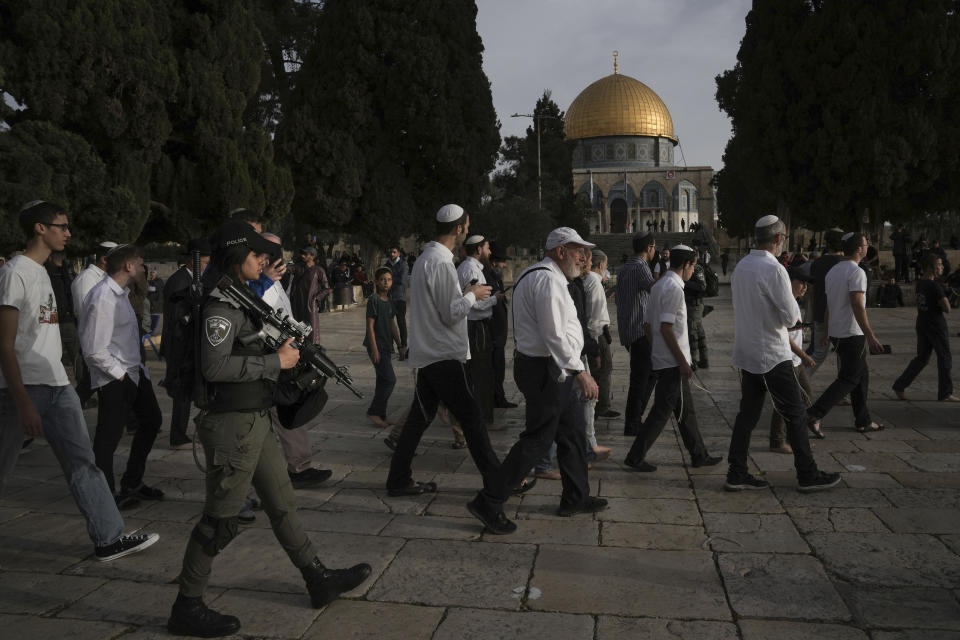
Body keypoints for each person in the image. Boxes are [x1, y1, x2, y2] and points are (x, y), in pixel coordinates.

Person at [167, 220, 370, 637]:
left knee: (282, 503)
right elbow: (214, 366)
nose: (264, 260)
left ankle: (317, 578)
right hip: (231, 426)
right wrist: (277, 362)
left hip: (254, 418)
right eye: (257, 254)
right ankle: (187, 604)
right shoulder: (221, 305)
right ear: (236, 256)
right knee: (220, 521)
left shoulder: (242, 297)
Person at [0, 200, 159, 562]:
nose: (68, 233)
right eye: (62, 226)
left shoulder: (43, 271)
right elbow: (4, 344)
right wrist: (23, 400)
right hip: (21, 388)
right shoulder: (15, 272)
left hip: (57, 384)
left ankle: (109, 536)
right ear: (40, 228)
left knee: (83, 461)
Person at [467, 227, 607, 535]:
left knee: (571, 433)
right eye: (578, 251)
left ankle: (576, 496)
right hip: (548, 369)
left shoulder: (549, 276)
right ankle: (489, 501)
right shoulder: (547, 280)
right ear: (560, 251)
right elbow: (554, 334)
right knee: (537, 440)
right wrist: (580, 371)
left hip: (551, 368)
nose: (583, 257)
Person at [384, 204, 501, 499]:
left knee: (418, 420)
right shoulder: (441, 263)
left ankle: (398, 479)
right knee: (472, 420)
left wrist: (467, 296)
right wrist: (473, 295)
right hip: (444, 354)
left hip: (430, 353)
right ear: (459, 228)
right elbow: (451, 314)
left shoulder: (426, 258)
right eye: (467, 226)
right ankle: (499, 482)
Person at [725, 215, 841, 493]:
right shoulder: (774, 269)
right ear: (778, 239)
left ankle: (736, 472)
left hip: (748, 353)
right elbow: (791, 317)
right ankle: (807, 474)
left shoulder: (742, 266)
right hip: (772, 355)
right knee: (796, 413)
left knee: (748, 416)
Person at [79, 244, 164, 509]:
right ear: (128, 266)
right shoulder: (103, 296)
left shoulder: (121, 294)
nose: (142, 268)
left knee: (152, 421)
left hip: (135, 372)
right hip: (115, 376)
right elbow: (94, 349)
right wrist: (121, 377)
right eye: (139, 263)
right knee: (109, 436)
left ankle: (132, 482)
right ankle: (105, 495)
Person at [623, 245, 721, 472]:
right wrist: (682, 361)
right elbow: (666, 328)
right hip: (673, 363)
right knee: (661, 412)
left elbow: (648, 325)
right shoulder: (674, 289)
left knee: (685, 410)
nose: (693, 270)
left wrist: (656, 349)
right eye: (693, 265)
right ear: (686, 264)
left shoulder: (659, 286)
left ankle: (699, 454)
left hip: (665, 358)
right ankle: (635, 456)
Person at [807, 232, 885, 435]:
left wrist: (826, 330)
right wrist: (870, 335)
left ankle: (863, 420)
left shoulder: (834, 271)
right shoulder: (856, 272)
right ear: (859, 249)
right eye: (866, 244)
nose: (868, 247)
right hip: (852, 333)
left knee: (861, 376)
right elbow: (857, 304)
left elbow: (829, 305)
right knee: (850, 378)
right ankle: (814, 413)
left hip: (837, 332)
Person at [161, 239, 211, 448]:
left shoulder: (192, 279)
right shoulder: (179, 280)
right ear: (194, 261)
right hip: (179, 346)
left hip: (188, 345)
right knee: (181, 392)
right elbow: (178, 317)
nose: (207, 267)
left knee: (188, 391)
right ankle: (178, 436)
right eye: (205, 262)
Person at [893, 253, 958, 402]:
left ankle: (900, 385)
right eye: (939, 265)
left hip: (922, 323)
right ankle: (945, 393)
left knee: (921, 358)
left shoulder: (921, 283)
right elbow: (947, 308)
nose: (942, 267)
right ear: (930, 267)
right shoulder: (935, 286)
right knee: (944, 358)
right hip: (936, 325)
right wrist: (946, 295)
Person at [769, 267, 817, 454]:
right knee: (788, 401)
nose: (804, 287)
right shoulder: (785, 303)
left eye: (806, 284)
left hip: (795, 360)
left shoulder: (795, 303)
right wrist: (804, 355)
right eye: (801, 282)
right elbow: (784, 336)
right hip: (788, 359)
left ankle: (794, 438)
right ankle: (779, 441)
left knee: (803, 398)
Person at [615, 232, 657, 437]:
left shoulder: (624, 268)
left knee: (648, 375)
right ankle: (633, 422)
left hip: (628, 329)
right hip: (640, 330)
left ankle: (635, 418)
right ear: (649, 248)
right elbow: (655, 291)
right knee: (641, 379)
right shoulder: (640, 267)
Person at [457, 234, 502, 425]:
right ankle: (481, 420)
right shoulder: (470, 269)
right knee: (481, 374)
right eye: (487, 248)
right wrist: (495, 299)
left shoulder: (473, 268)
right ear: (478, 250)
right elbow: (475, 302)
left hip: (477, 326)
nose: (490, 252)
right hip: (476, 327)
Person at [71, 240, 118, 407]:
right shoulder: (86, 279)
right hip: (95, 342)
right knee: (91, 384)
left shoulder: (107, 278)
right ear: (104, 259)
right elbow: (86, 314)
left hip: (109, 341)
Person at [364, 266, 404, 427]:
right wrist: (374, 349)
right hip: (377, 345)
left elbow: (392, 323)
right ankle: (373, 412)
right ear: (376, 282)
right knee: (390, 380)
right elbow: (370, 326)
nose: (386, 282)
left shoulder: (390, 301)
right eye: (382, 280)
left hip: (387, 346)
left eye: (388, 279)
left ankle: (381, 415)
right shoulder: (373, 300)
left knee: (382, 381)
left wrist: (400, 344)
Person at [585, 249, 618, 420]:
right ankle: (601, 406)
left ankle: (596, 405)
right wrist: (595, 346)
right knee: (603, 369)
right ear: (600, 265)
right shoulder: (595, 283)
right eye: (605, 264)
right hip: (597, 335)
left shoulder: (589, 279)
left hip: (594, 334)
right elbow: (595, 317)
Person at [807, 229, 845, 376]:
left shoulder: (817, 263)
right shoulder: (844, 264)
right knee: (843, 357)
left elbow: (811, 291)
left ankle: (799, 384)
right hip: (839, 318)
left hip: (819, 314)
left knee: (818, 354)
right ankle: (844, 392)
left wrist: (814, 312)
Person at [484, 242, 516, 409]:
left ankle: (498, 396)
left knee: (499, 366)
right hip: (493, 332)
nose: (504, 265)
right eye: (502, 261)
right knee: (494, 367)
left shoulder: (495, 277)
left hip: (499, 333)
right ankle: (495, 398)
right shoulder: (488, 277)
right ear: (494, 261)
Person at [45, 250, 78, 380]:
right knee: (77, 358)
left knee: (51, 357)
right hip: (68, 319)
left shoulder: (46, 273)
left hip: (52, 319)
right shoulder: (67, 273)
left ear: (50, 258)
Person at [289, 246, 330, 342]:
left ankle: (312, 349)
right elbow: (289, 268)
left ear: (312, 256)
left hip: (310, 305)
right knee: (297, 328)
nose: (302, 256)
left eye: (305, 254)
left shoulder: (318, 270)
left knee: (311, 331)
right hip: (297, 304)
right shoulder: (298, 267)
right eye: (302, 253)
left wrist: (316, 299)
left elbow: (326, 288)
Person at [684, 259, 709, 369]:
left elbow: (702, 286)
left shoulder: (697, 269)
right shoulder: (691, 267)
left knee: (692, 333)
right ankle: (704, 359)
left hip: (694, 305)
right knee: (699, 332)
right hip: (693, 305)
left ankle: (693, 361)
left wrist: (685, 282)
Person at [386, 245, 409, 358]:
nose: (392, 254)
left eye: (394, 252)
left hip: (400, 298)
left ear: (399, 253)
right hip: (389, 298)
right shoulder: (387, 265)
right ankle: (390, 346)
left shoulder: (403, 265)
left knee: (401, 322)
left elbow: (402, 280)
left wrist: (389, 280)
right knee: (389, 323)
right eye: (391, 252)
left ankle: (403, 345)